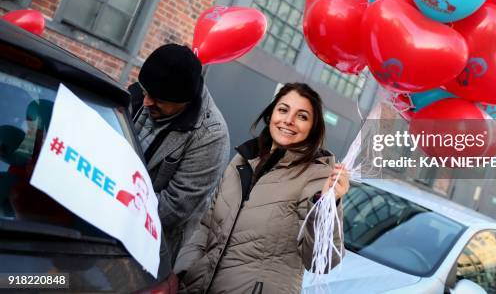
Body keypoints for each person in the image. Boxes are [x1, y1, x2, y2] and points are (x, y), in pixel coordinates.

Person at [174, 82, 349, 293]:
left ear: (313, 128)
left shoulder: (316, 177)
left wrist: (328, 204)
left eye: (302, 116)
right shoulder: (243, 160)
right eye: (283, 110)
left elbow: (322, 261)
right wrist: (184, 270)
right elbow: (206, 226)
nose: (289, 120)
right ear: (270, 114)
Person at [128, 44, 230, 263]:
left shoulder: (210, 135)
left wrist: (112, 196)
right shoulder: (138, 95)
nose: (146, 102)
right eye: (146, 92)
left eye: (158, 99)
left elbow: (174, 208)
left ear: (185, 102)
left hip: (147, 246)